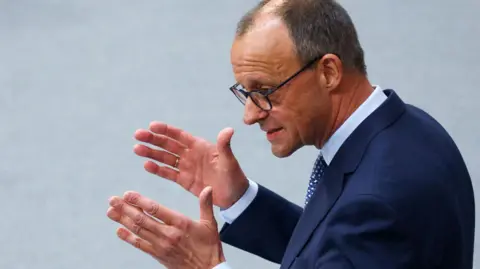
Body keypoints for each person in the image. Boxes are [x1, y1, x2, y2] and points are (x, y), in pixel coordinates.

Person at [106, 0, 475, 268]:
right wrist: (239, 199)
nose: (250, 116)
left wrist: (206, 266)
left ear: (328, 72)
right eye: (244, 93)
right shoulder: (410, 129)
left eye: (264, 91)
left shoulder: (375, 201)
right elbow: (335, 253)